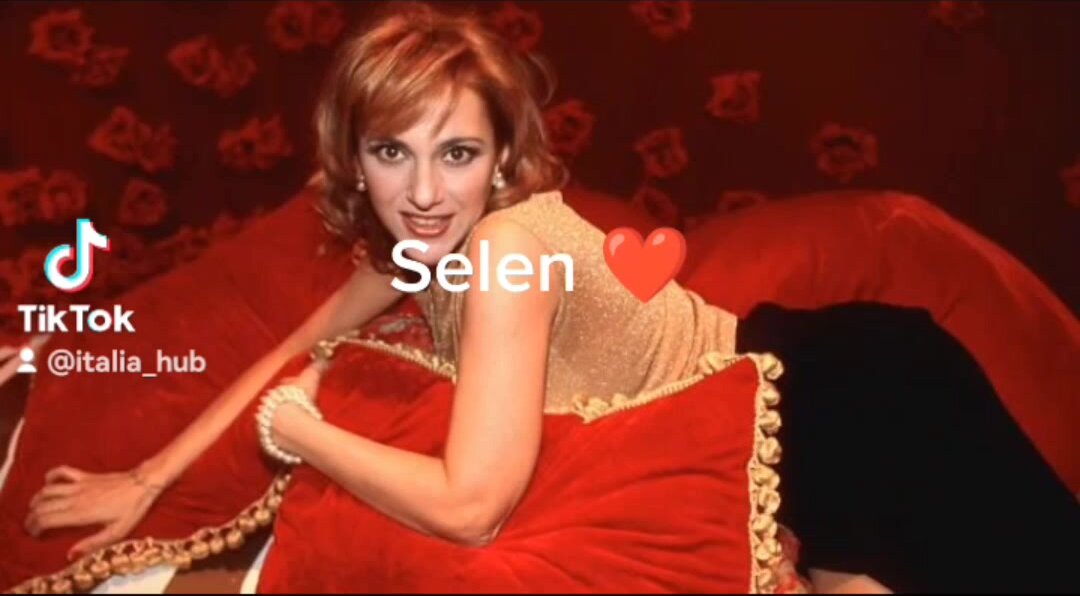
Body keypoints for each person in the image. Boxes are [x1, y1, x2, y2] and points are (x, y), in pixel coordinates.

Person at [22, 2, 1079, 593]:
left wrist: (298, 431)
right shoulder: (416, 246)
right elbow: (287, 343)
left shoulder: (502, 249)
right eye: (392, 152)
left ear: (500, 158)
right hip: (769, 421)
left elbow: (470, 507)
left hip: (847, 405)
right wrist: (143, 480)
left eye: (457, 153)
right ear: (354, 157)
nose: (423, 191)